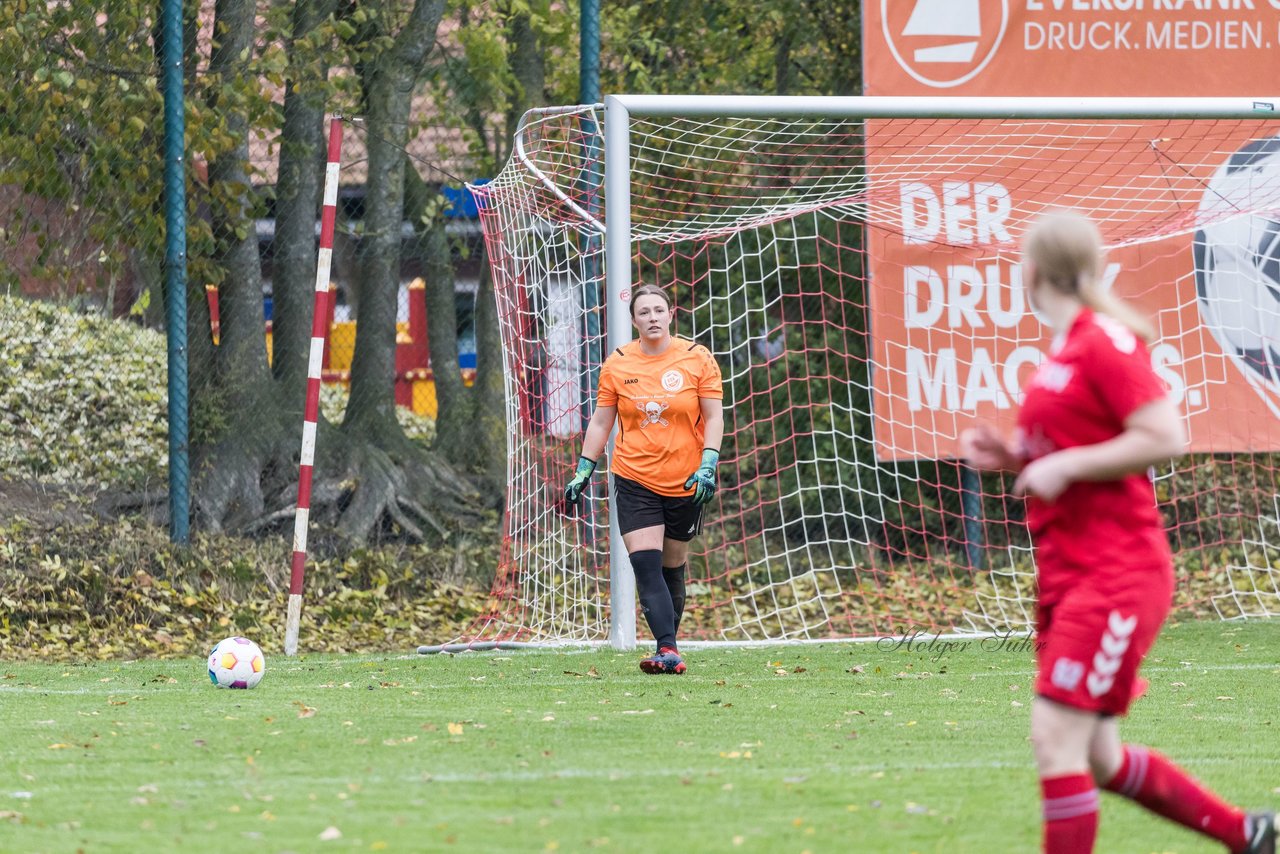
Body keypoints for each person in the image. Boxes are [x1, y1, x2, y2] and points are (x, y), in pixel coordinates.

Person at [960, 210, 1276, 854]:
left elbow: (1165, 437)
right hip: (1071, 571)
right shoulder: (1068, 347)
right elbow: (1081, 442)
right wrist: (1020, 456)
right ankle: (1248, 835)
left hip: (1116, 574)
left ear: (1034, 268)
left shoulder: (1104, 340)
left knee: (1055, 740)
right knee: (1098, 756)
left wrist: (1066, 463)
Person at [564, 284, 724, 675]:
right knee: (646, 565)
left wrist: (708, 463)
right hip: (634, 477)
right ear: (633, 320)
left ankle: (668, 641)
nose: (652, 317)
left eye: (659, 310)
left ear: (671, 315)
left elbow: (715, 417)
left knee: (673, 567)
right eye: (644, 312)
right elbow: (602, 421)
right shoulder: (618, 364)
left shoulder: (698, 358)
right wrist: (585, 467)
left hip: (686, 480)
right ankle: (667, 649)